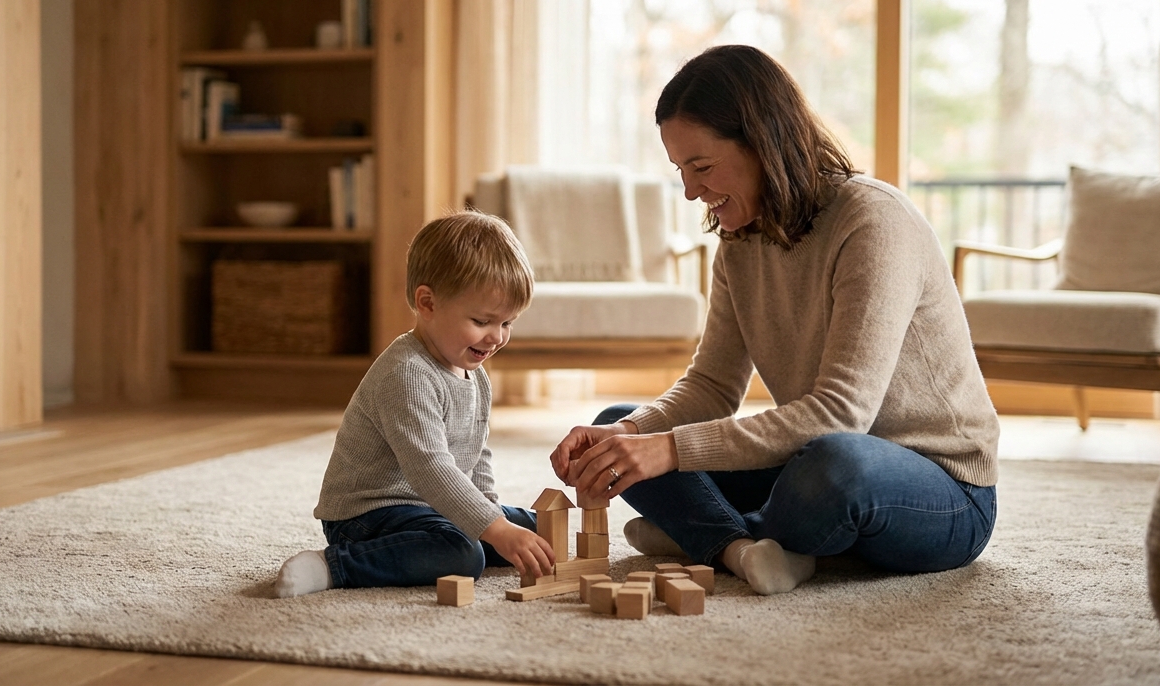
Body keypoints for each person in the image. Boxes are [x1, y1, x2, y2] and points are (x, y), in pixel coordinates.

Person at [550, 45, 999, 596]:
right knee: (620, 424)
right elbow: (712, 387)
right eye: (680, 170)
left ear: (764, 142)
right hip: (809, 460)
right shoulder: (738, 243)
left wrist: (668, 451)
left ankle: (706, 532)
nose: (690, 191)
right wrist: (630, 435)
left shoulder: (874, 221)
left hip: (943, 491)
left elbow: (840, 414)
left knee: (833, 466)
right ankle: (742, 548)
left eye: (702, 167)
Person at [275, 211, 554, 597]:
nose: (496, 337)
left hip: (432, 506)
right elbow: (430, 468)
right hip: (369, 515)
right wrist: (492, 529)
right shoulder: (406, 373)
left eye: (507, 323)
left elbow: (477, 454)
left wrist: (490, 514)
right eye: (482, 321)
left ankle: (477, 530)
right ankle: (335, 565)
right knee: (463, 555)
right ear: (427, 303)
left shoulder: (474, 372)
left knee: (541, 529)